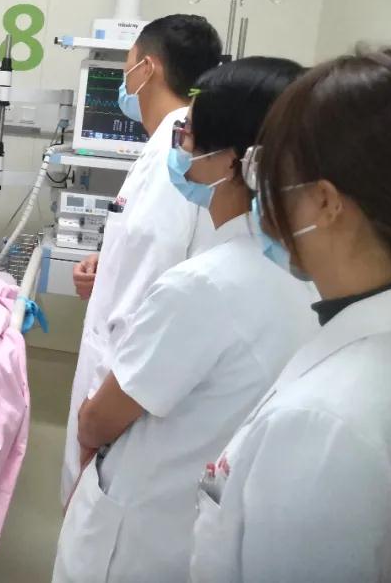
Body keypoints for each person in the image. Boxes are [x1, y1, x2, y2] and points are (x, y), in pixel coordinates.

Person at [52, 57, 317, 582]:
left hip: (139, 538)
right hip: (201, 523)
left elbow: (99, 421)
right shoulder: (301, 274)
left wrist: (88, 422)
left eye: (189, 136)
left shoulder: (205, 286)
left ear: (233, 161)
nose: (179, 149)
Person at [189, 46, 391, 582]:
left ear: (326, 202)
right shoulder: (388, 348)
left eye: (271, 175)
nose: (263, 198)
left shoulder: (326, 423)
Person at [61, 14, 222, 503]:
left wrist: (95, 424)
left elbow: (145, 297)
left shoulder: (177, 154)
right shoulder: (166, 148)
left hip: (118, 404)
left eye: (127, 67)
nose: (124, 83)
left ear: (146, 69)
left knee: (91, 523)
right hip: (126, 391)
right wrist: (106, 264)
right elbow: (148, 253)